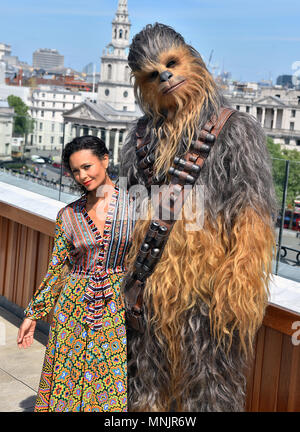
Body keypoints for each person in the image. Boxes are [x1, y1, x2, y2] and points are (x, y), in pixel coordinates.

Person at [120, 23, 277, 412]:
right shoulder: (138, 138)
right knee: (144, 395)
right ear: (143, 87)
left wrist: (238, 287)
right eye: (153, 74)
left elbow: (252, 215)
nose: (166, 76)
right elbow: (123, 215)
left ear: (192, 57)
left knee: (209, 397)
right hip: (146, 291)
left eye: (171, 63)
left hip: (209, 295)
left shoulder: (235, 131)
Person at [17, 136, 133, 412]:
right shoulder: (67, 215)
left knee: (111, 384)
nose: (82, 176)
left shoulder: (137, 205)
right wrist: (33, 315)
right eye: (76, 171)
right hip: (72, 310)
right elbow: (58, 268)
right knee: (68, 379)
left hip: (117, 307)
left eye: (87, 166)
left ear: (105, 160)